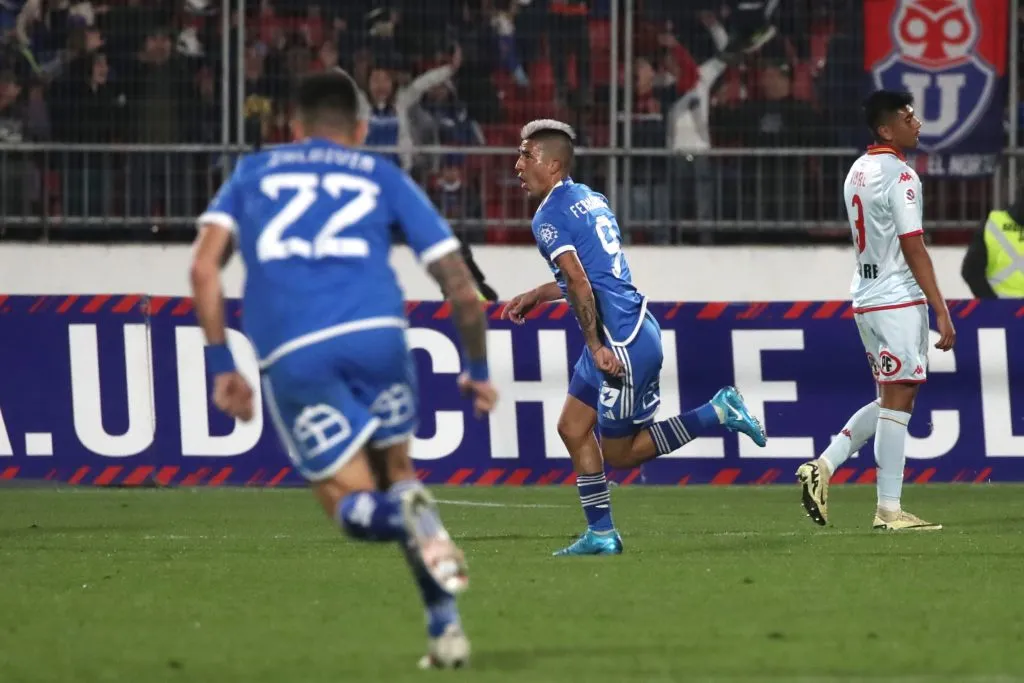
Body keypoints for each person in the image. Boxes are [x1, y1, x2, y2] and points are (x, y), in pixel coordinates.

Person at [189, 70, 498, 669]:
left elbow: (204, 270)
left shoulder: (252, 172)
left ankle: (404, 524)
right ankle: (446, 629)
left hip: (294, 349)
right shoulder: (382, 174)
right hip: (378, 337)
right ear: (360, 130)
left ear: (292, 127)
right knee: (401, 474)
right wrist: (477, 366)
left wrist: (221, 362)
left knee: (350, 503)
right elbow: (460, 285)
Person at [504, 119, 767, 557]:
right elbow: (592, 278)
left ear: (552, 164)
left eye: (525, 155)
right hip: (625, 328)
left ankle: (717, 411)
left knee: (622, 455)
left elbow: (582, 285)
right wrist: (539, 294)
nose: (517, 165)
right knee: (572, 427)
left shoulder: (548, 216)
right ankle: (601, 534)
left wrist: (596, 347)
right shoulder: (590, 198)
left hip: (620, 345)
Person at [796, 91, 955, 531]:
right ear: (887, 129)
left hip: (866, 297)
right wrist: (941, 308)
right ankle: (888, 509)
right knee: (899, 399)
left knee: (891, 397)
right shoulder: (901, 176)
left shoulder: (857, 171)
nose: (917, 122)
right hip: (898, 299)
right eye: (908, 117)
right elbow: (912, 243)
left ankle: (824, 467)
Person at [960, 200, 1024, 299]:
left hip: (1000, 310)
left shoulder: (993, 224)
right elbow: (971, 272)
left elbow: (971, 271)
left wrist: (991, 304)